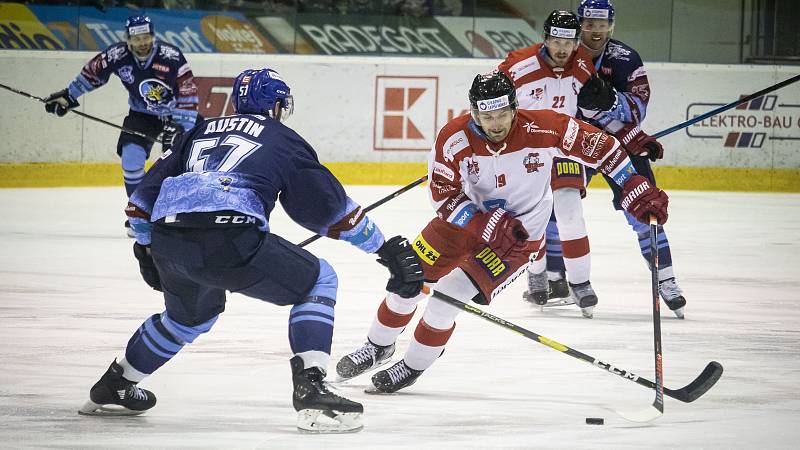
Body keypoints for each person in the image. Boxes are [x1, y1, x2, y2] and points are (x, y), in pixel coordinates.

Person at [76, 67, 425, 434]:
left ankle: (117, 383)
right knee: (318, 280)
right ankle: (312, 387)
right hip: (230, 238)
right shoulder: (282, 138)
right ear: (275, 105)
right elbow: (328, 209)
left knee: (188, 317)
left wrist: (148, 249)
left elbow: (139, 204)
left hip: (169, 240)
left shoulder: (197, 131)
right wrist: (383, 249)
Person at [334, 71, 669, 394]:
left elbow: (603, 148)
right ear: (474, 112)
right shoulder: (453, 138)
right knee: (408, 281)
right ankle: (377, 346)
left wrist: (633, 185)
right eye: (486, 116)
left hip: (519, 239)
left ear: (514, 107)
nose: (495, 124)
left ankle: (413, 365)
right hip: (462, 226)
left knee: (447, 298)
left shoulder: (546, 126)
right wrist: (481, 224)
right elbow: (443, 196)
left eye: (502, 114)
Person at [43, 14, 201, 237]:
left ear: (153, 36)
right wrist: (69, 95)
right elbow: (93, 73)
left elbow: (188, 91)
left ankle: (187, 213)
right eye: (137, 39)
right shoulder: (118, 55)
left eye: (146, 37)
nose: (142, 42)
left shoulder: (171, 56)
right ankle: (140, 213)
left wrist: (180, 126)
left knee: (186, 163)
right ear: (127, 39)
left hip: (176, 115)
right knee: (131, 159)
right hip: (142, 115)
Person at [575, 0, 686, 318]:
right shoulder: (565, 55)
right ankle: (553, 277)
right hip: (576, 143)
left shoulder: (625, 58)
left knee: (645, 209)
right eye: (589, 24)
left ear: (611, 26)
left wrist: (611, 101)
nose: (595, 31)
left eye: (601, 24)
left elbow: (638, 109)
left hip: (620, 143)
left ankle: (666, 280)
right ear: (580, 24)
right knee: (558, 203)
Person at [498, 10, 599, 317]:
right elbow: (487, 105)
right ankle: (536, 270)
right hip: (526, 153)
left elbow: (592, 111)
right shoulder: (518, 63)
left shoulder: (583, 65)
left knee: (570, 212)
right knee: (533, 218)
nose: (562, 48)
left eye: (568, 41)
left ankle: (580, 283)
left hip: (564, 149)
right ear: (545, 38)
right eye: (556, 39)